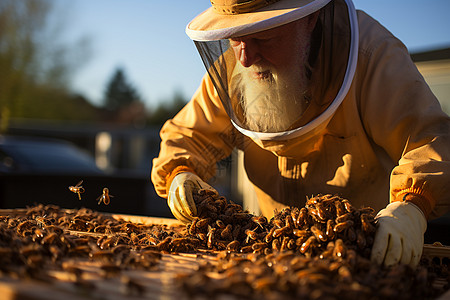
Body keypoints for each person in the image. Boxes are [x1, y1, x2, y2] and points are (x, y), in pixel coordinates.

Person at [151, 0, 450, 268]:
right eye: (234, 37)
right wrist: (180, 171)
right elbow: (188, 135)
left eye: (262, 36)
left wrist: (413, 203)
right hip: (271, 260)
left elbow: (430, 139)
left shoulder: (373, 55)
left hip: (365, 258)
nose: (245, 58)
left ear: (310, 18)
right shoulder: (234, 66)